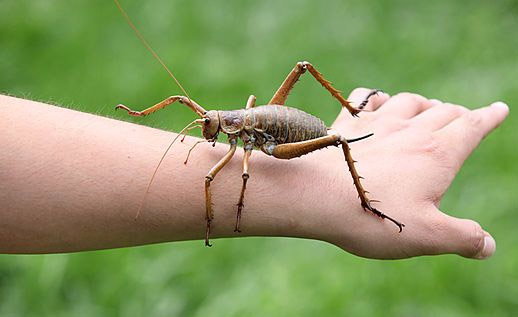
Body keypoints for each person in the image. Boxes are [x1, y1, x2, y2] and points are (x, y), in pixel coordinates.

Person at [0, 89, 509, 259]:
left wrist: (234, 204)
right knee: (212, 165)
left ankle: (365, 194)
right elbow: (185, 102)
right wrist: (141, 118)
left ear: (226, 127)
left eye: (211, 126)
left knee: (223, 176)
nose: (207, 129)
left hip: (284, 136)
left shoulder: (240, 142)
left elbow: (237, 174)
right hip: (260, 127)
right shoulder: (223, 125)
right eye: (209, 126)